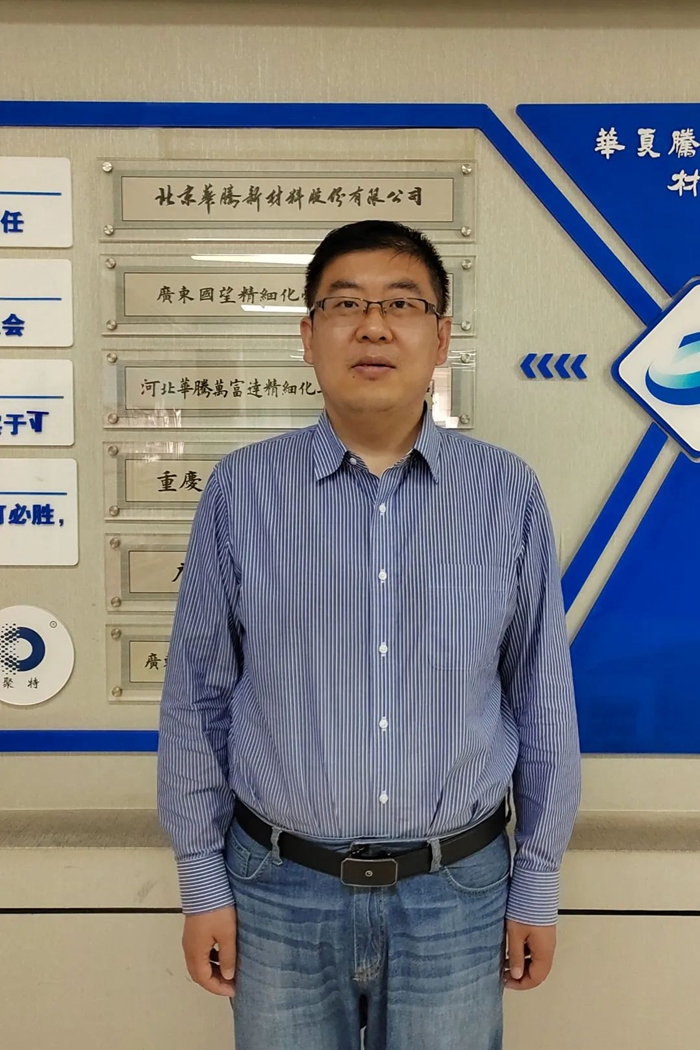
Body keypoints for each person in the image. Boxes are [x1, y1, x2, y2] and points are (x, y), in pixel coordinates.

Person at [157, 219, 581, 1050]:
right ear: (308, 336)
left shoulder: (505, 493)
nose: (374, 326)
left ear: (441, 338)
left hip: (456, 894)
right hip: (276, 889)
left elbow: (541, 697)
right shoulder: (243, 491)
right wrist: (201, 879)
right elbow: (197, 696)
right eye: (346, 304)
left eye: (402, 304)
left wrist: (537, 881)